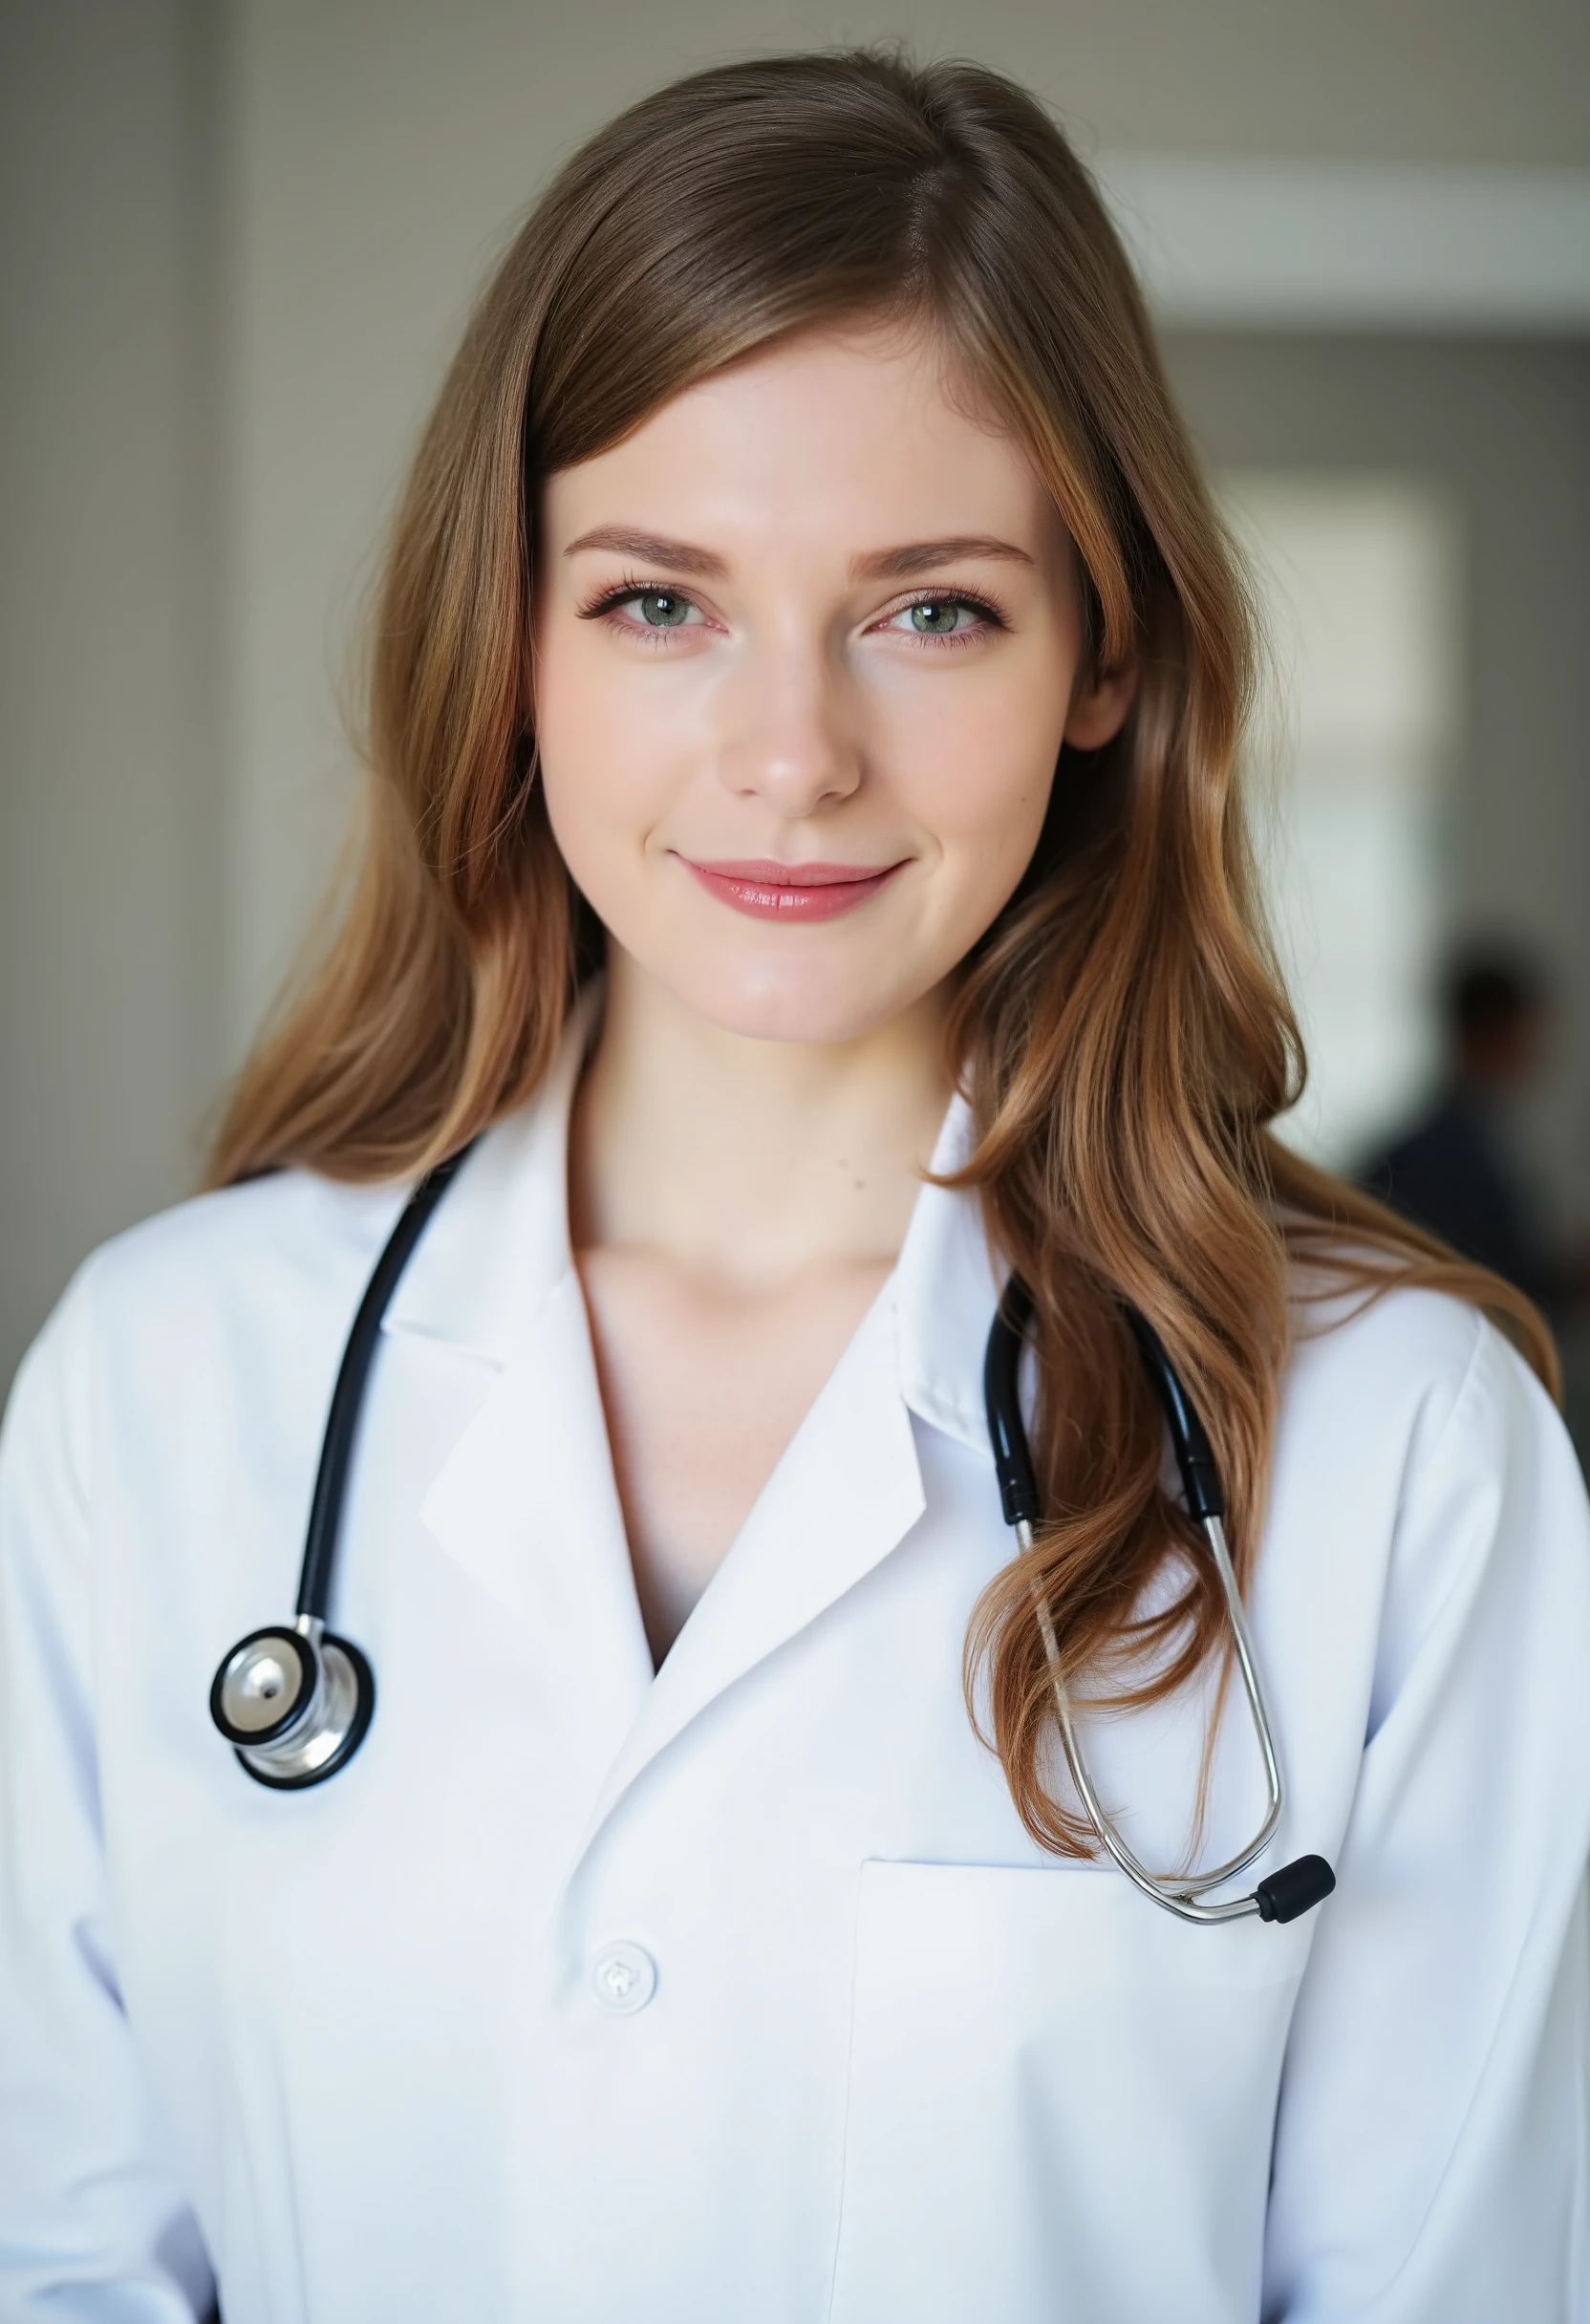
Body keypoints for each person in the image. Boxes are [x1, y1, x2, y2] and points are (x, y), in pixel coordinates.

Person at [2, 51, 1587, 2324]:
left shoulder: (1394, 1447)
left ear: (1104, 658)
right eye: (659, 601)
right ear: (509, 639)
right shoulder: (161, 1380)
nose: (788, 755)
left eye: (929, 610)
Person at [1363, 945, 1576, 1316]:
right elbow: (1504, 1282)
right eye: (1528, 1029)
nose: (1539, 1047)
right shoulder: (1446, 1155)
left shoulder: (1460, 1141)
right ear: (1495, 1029)